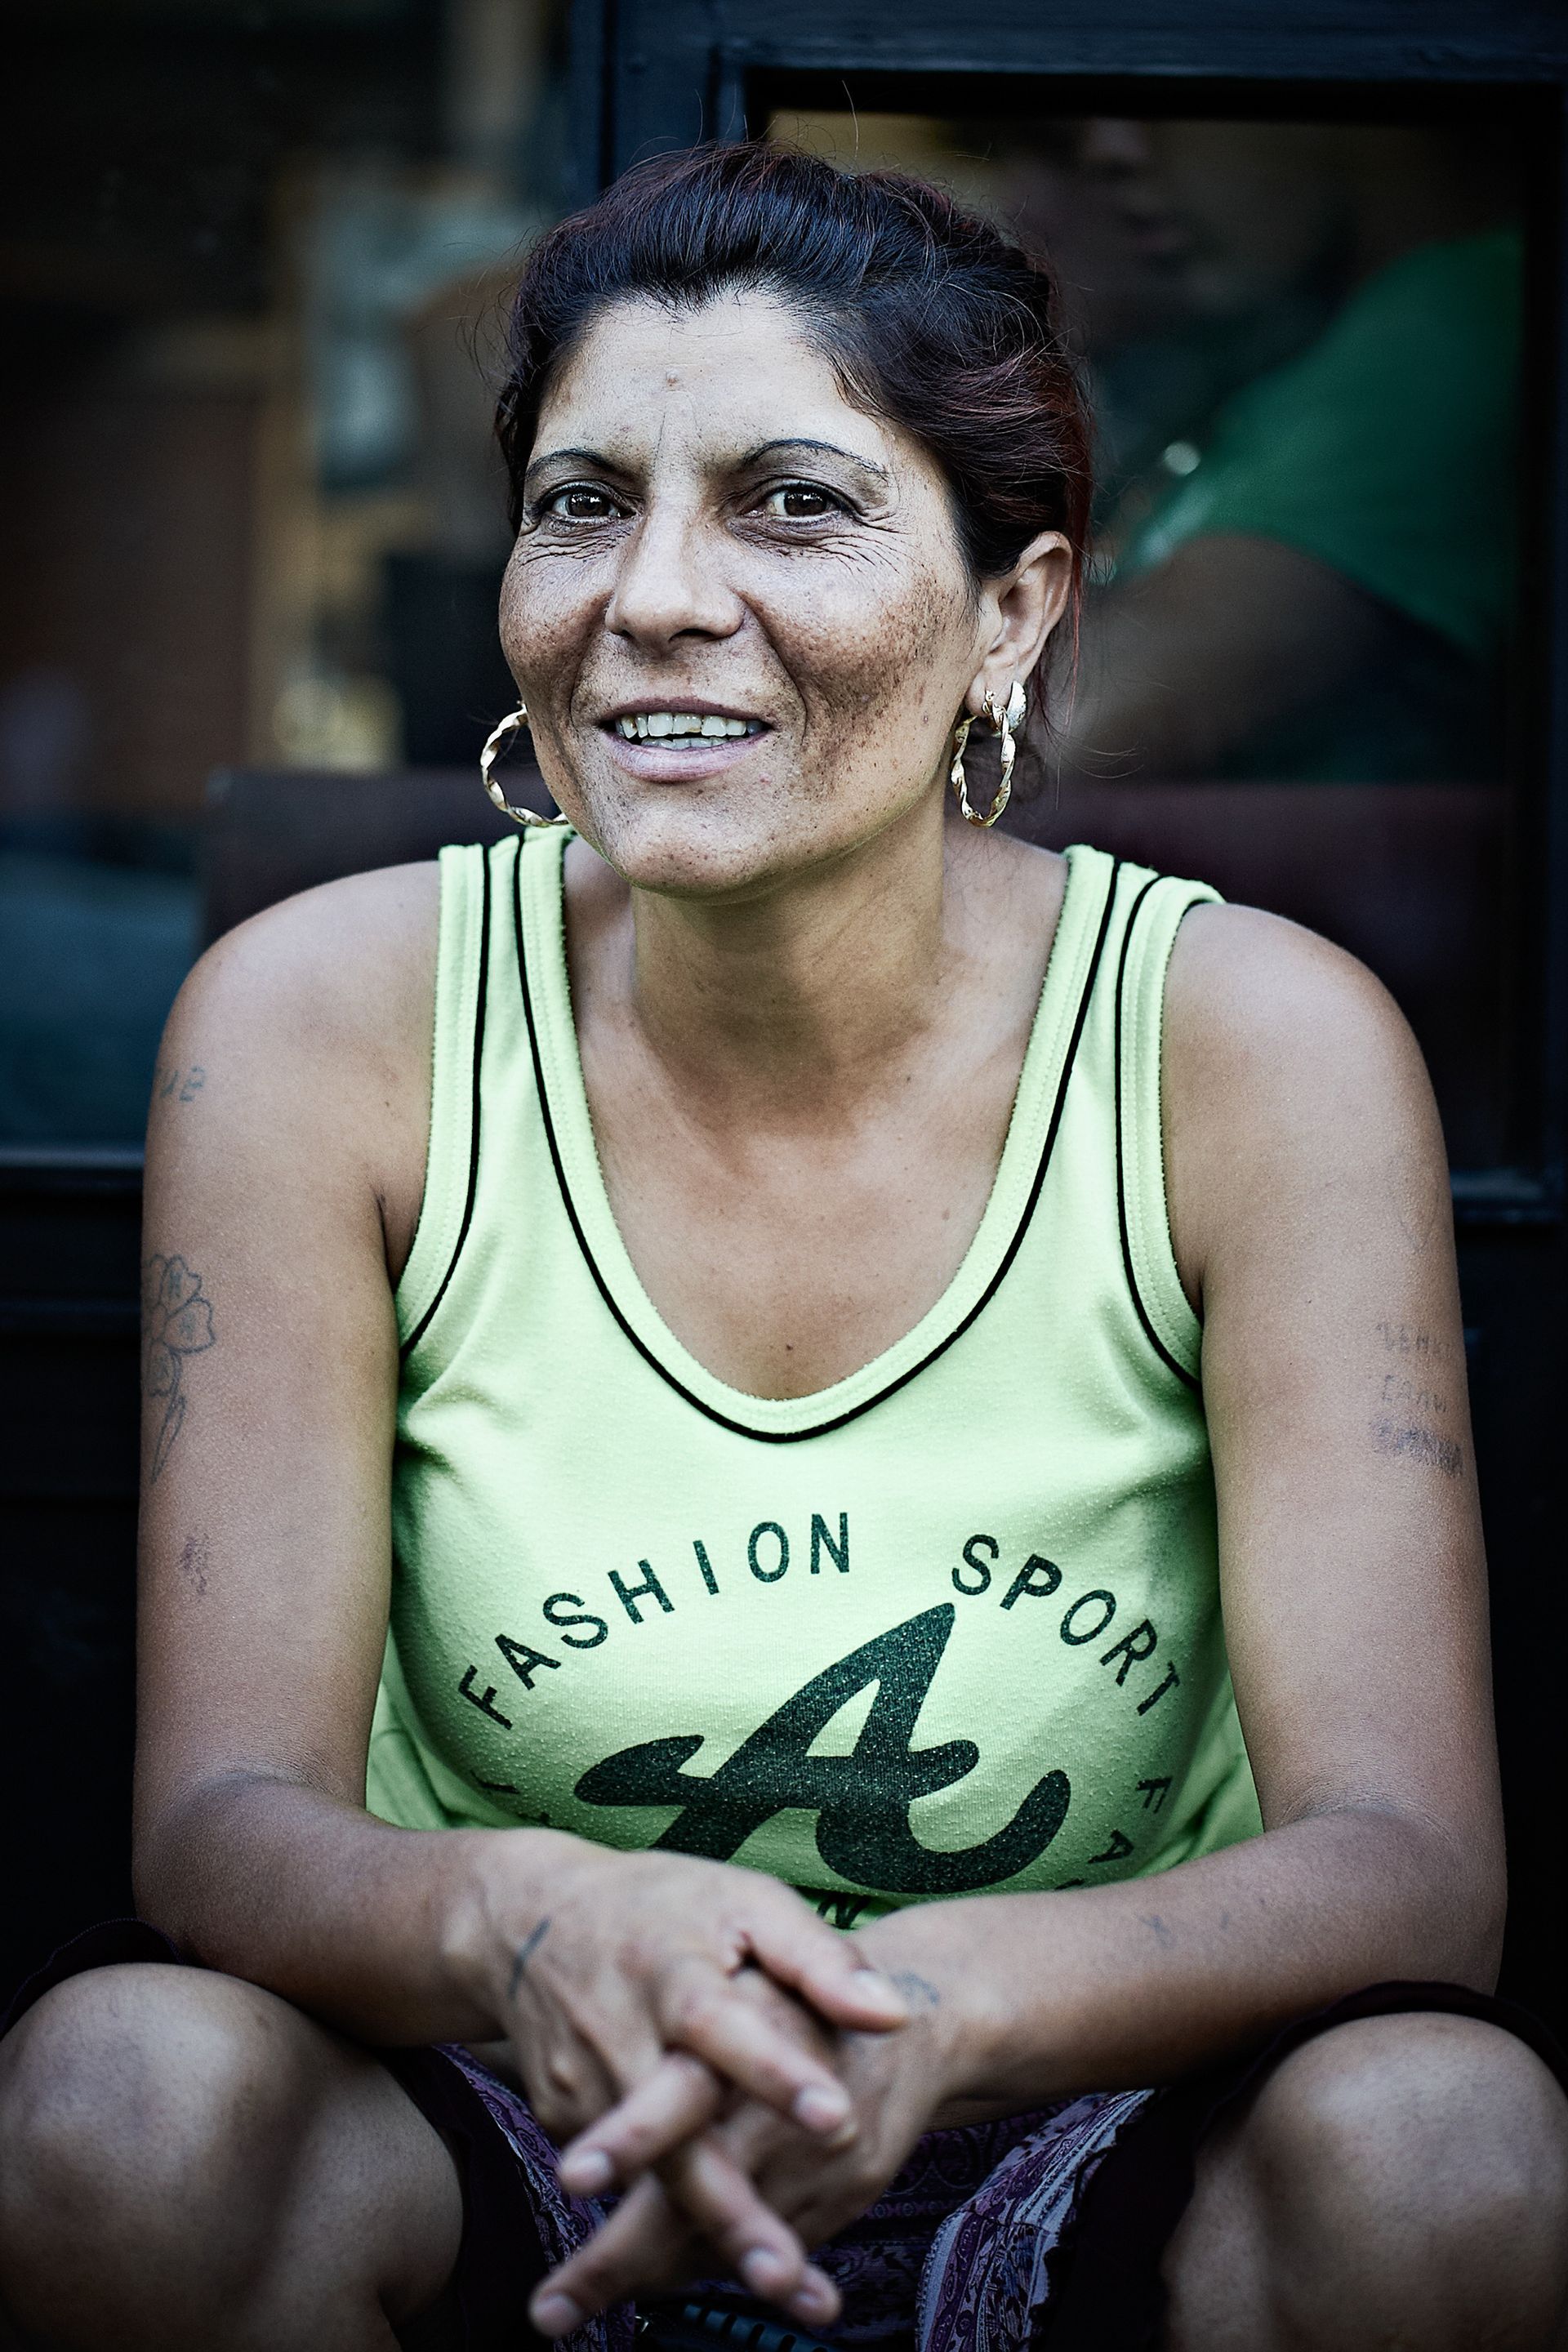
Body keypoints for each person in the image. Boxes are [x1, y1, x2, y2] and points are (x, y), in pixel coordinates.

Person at [1, 142, 1565, 2352]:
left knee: (1449, 2146)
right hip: (520, 2105)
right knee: (117, 2101)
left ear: (1015, 610)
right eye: (581, 502)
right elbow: (222, 1820)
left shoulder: (1249, 1045)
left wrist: (937, 2007)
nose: (649, 595)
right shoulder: (323, 1024)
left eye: (791, 503)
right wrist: (527, 1926)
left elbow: (1407, 1860)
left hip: (1090, 2107)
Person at [1001, 119, 1522, 783]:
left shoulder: (1456, 321)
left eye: (1169, 84)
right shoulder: (1281, 343)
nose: (1108, 147)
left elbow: (1061, 733)